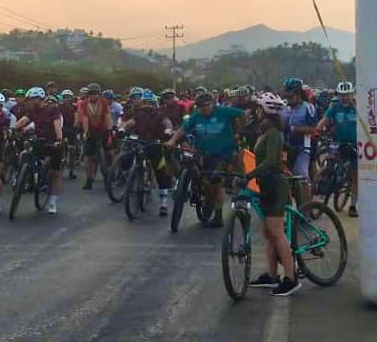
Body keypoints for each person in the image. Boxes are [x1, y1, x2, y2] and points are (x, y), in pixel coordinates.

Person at [246, 93, 301, 296]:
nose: (256, 111)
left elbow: (271, 162)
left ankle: (291, 279)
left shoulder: (273, 133)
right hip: (266, 184)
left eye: (258, 108)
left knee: (277, 233)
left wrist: (250, 174)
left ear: (264, 110)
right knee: (268, 233)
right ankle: (271, 276)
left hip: (275, 184)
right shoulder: (264, 130)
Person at [165, 92, 244, 227]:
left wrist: (240, 131)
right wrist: (172, 141)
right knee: (202, 178)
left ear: (213, 104)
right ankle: (201, 193)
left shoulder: (224, 111)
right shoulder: (196, 116)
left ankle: (218, 217)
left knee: (216, 182)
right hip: (203, 153)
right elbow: (183, 129)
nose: (205, 108)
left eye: (207, 105)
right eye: (201, 106)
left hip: (223, 154)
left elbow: (244, 114)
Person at [120, 91, 174, 215]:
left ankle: (163, 203)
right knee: (127, 157)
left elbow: (167, 123)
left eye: (150, 103)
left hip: (155, 144)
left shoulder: (160, 114)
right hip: (140, 142)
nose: (148, 105)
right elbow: (130, 123)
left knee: (160, 171)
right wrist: (122, 128)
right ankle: (128, 177)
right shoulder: (139, 114)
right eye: (146, 103)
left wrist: (168, 130)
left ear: (155, 103)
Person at [14, 87, 63, 214]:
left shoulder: (52, 109)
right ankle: (26, 176)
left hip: (53, 142)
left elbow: (57, 124)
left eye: (30, 99)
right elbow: (24, 120)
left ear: (38, 99)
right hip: (39, 140)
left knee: (55, 173)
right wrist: (12, 128)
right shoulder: (33, 110)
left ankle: (52, 202)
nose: (28, 102)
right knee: (25, 152)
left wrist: (59, 139)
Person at [316, 80, 359, 217]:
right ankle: (324, 186)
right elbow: (324, 120)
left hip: (354, 144)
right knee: (329, 160)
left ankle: (353, 205)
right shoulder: (335, 107)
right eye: (342, 95)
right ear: (338, 95)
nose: (345, 97)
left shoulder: (357, 107)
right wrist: (316, 131)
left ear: (352, 94)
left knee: (355, 176)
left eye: (347, 95)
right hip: (338, 142)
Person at [282, 77, 317, 199]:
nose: (288, 99)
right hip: (285, 149)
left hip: (302, 148)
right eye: (286, 96)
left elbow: (313, 129)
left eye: (290, 96)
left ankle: (307, 208)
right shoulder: (283, 107)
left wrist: (293, 128)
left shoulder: (308, 107)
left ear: (298, 94)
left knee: (302, 177)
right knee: (283, 179)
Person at [78, 83, 113, 190]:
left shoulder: (103, 102)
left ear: (99, 94)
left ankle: (110, 171)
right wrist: (86, 132)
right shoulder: (84, 104)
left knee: (109, 152)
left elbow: (107, 116)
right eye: (91, 93)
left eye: (96, 93)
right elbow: (84, 118)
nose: (93, 95)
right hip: (91, 132)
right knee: (88, 157)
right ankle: (89, 179)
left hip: (103, 130)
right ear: (88, 94)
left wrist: (110, 130)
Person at [59, 90, 79, 179]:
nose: (66, 99)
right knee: (60, 149)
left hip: (71, 129)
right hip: (62, 129)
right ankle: (59, 170)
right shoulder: (59, 106)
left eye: (68, 97)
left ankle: (71, 171)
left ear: (71, 98)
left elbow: (76, 117)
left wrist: (75, 126)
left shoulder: (74, 107)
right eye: (65, 97)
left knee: (72, 151)